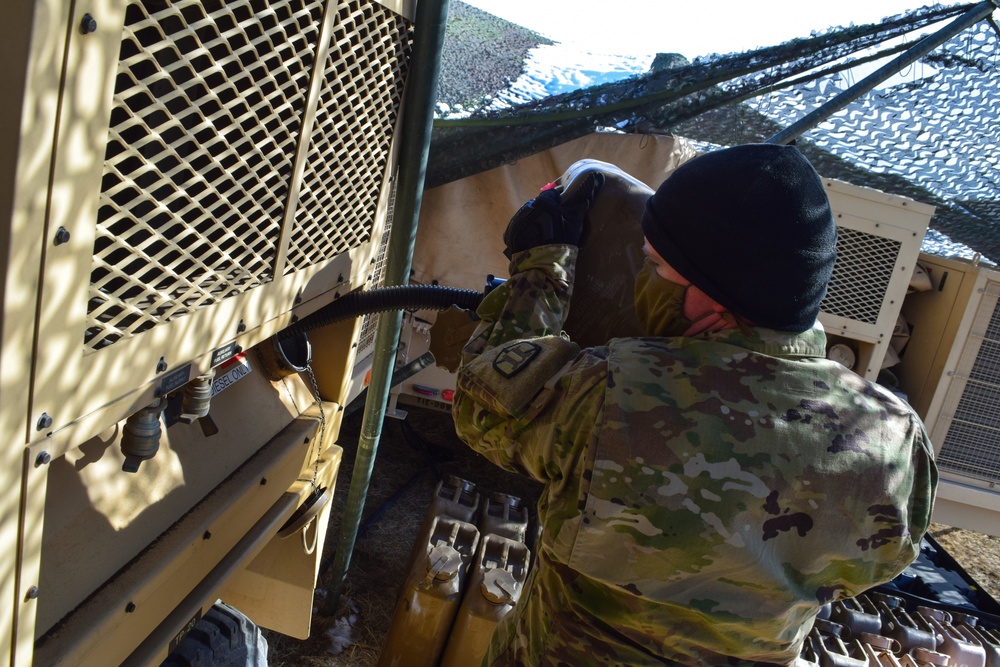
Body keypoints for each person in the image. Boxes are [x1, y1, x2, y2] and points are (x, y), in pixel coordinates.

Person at [450, 143, 938, 666]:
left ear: (715, 296)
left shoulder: (607, 393)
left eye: (656, 264)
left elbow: (482, 406)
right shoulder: (896, 442)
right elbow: (876, 563)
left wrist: (541, 270)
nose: (645, 276)